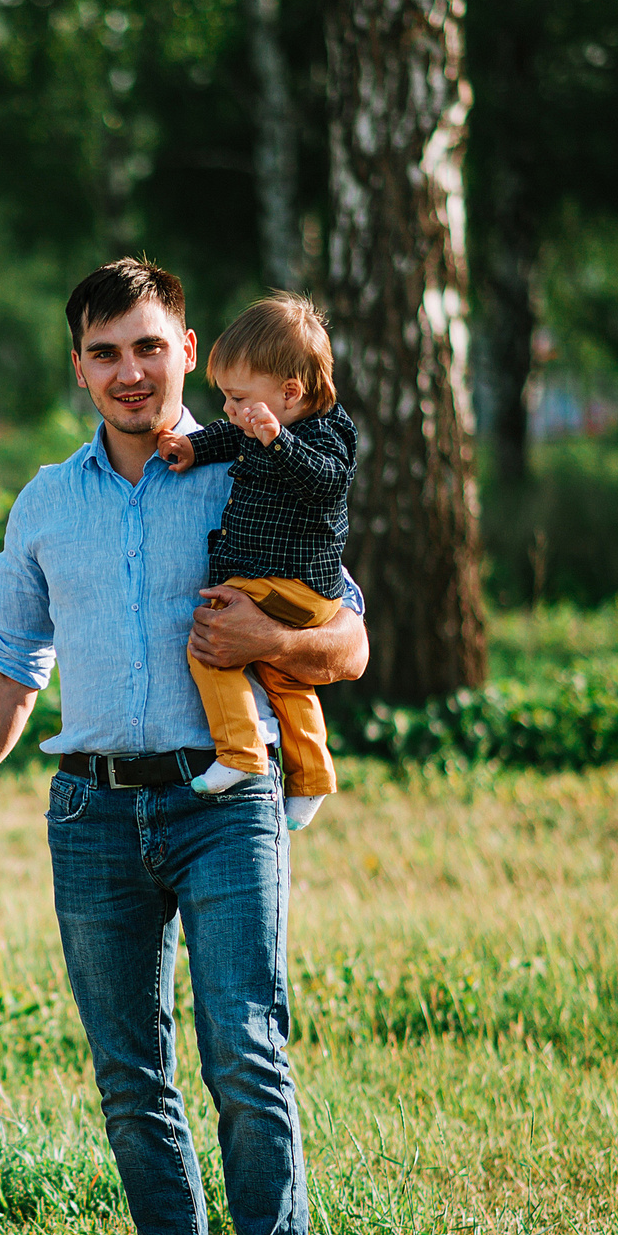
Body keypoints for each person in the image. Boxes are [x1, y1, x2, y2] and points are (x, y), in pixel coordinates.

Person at [0, 259, 369, 1235]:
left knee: (245, 1049)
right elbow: (10, 664)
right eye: (106, 351)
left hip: (227, 799)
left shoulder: (249, 468)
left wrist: (267, 646)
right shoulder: (45, 503)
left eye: (149, 347)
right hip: (91, 811)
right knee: (130, 1072)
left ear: (189, 349)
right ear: (78, 366)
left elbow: (348, 641)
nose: (129, 371)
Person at [153, 293, 357, 831]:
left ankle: (241, 752)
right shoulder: (253, 426)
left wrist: (278, 440)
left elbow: (327, 482)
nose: (228, 409)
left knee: (211, 644)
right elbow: (226, 436)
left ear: (289, 394)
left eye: (238, 398)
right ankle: (312, 779)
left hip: (295, 583)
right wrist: (195, 448)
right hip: (279, 584)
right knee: (284, 679)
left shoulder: (324, 435)